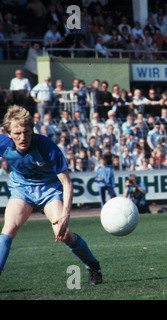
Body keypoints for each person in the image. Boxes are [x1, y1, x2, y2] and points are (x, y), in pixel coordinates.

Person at [0, 106, 102, 285]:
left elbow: (67, 183)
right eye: (17, 133)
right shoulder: (3, 143)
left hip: (48, 189)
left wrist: (65, 216)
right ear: (8, 134)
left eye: (26, 132)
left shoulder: (47, 147)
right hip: (21, 188)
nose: (23, 137)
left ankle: (92, 264)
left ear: (32, 131)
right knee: (8, 229)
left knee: (63, 234)